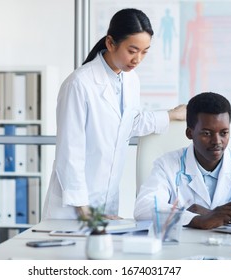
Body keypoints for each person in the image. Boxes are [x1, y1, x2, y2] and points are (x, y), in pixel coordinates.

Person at [42, 8, 186, 220]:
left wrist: (171, 115)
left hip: (106, 200)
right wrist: (83, 208)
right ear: (110, 43)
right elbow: (69, 151)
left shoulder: (130, 79)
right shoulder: (79, 84)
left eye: (145, 51)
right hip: (74, 207)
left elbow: (127, 123)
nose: (138, 59)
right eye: (132, 50)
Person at [134, 92, 231, 229]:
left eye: (224, 133)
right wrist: (197, 219)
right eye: (207, 133)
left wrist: (214, 216)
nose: (217, 141)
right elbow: (144, 207)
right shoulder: (167, 164)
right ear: (189, 133)